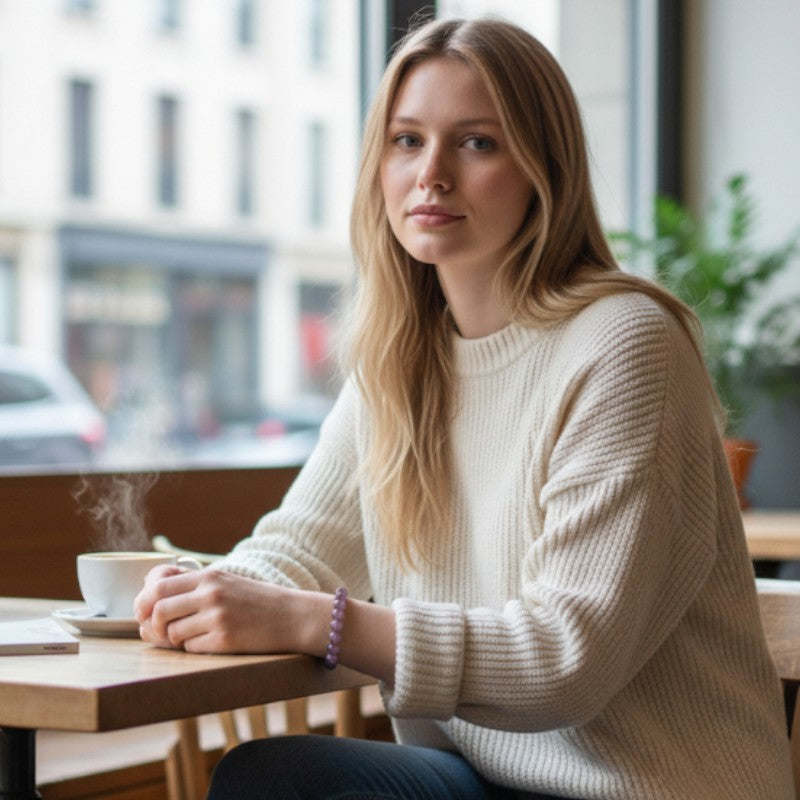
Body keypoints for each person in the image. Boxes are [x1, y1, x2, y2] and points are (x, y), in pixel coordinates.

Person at [134, 17, 794, 800]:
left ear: (544, 169)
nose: (432, 175)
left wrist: (317, 621)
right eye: (407, 140)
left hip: (652, 788)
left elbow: (563, 660)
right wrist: (200, 596)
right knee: (274, 777)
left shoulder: (623, 343)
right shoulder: (401, 357)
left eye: (477, 142)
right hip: (483, 777)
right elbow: (301, 548)